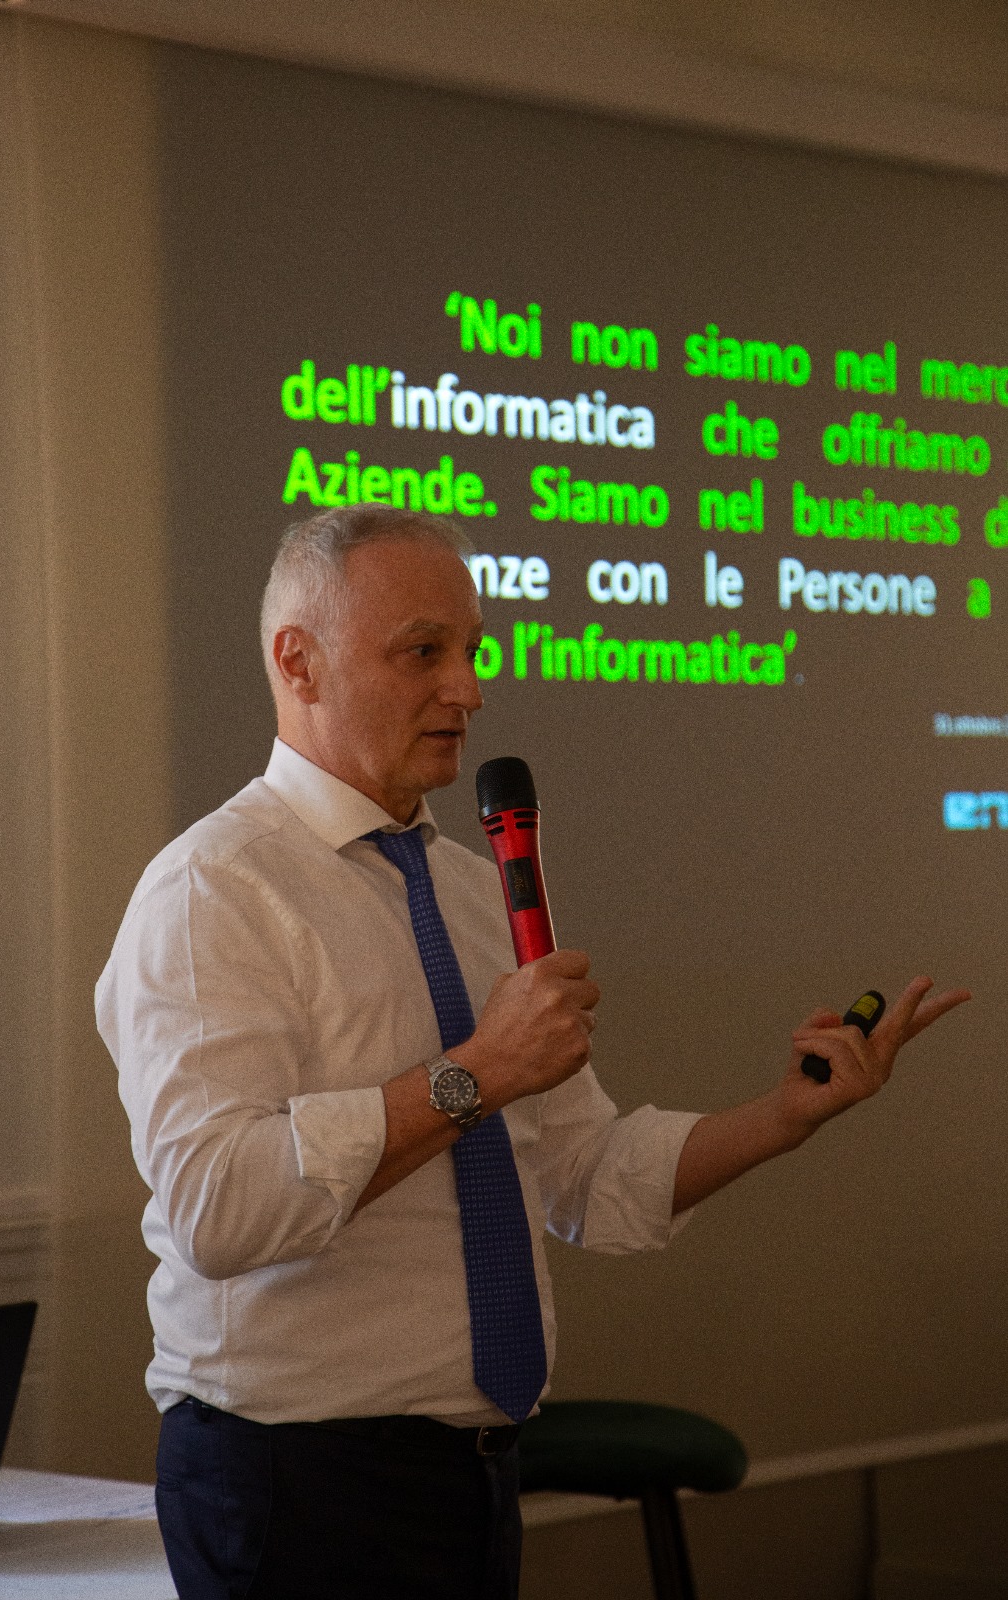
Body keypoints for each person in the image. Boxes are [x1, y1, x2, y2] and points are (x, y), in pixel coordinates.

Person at [96, 503, 969, 1600]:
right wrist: (477, 1075)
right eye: (424, 652)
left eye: (473, 651)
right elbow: (217, 1208)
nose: (468, 690)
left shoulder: (473, 891)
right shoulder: (212, 891)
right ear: (298, 661)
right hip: (296, 1479)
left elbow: (582, 1177)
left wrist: (784, 1115)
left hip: (473, 1470)